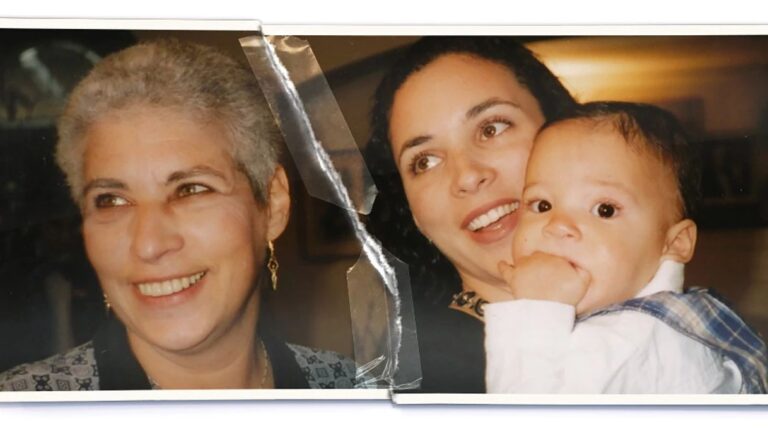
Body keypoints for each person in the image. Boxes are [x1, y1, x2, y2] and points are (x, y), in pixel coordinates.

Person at [0, 39, 361, 391]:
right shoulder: (24, 407)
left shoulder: (350, 392)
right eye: (111, 200)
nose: (149, 245)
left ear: (273, 203)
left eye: (190, 190)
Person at [485, 101, 768, 393]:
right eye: (542, 205)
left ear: (674, 243)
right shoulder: (675, 324)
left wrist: (537, 308)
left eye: (604, 210)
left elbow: (524, 415)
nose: (557, 225)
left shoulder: (622, 344)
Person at [364, 36, 577, 392]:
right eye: (424, 161)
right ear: (415, 214)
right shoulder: (434, 382)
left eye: (491, 129)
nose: (466, 176)